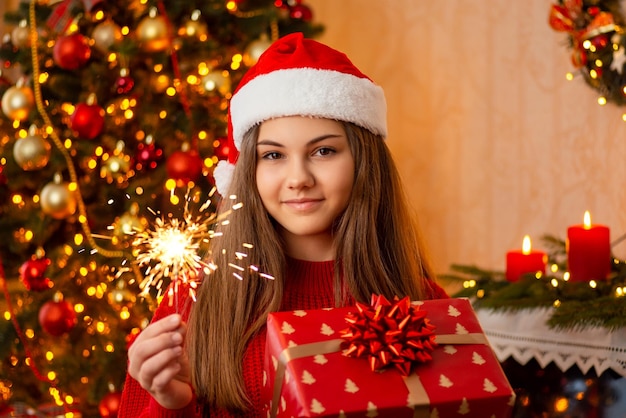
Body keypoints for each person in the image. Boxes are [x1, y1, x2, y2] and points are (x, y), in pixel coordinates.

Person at [118, 32, 448, 418]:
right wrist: (174, 404)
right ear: (247, 173)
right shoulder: (194, 304)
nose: (298, 178)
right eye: (273, 155)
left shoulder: (420, 299)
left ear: (364, 162)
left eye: (323, 151)